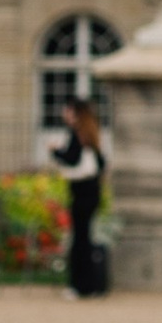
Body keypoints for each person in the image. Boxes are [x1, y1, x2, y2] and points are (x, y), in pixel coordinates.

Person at [46, 98, 108, 299]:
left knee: (80, 240)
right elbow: (101, 163)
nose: (64, 114)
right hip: (92, 191)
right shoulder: (91, 133)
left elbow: (71, 159)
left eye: (67, 110)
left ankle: (80, 285)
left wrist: (55, 152)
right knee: (85, 238)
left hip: (81, 192)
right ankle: (89, 284)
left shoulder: (77, 133)